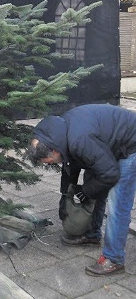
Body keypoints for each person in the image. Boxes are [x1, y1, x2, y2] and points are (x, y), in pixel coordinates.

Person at [27, 103, 136, 277]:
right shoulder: (59, 135)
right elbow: (70, 167)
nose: (54, 164)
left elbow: (110, 174)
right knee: (93, 182)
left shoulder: (79, 141)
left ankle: (114, 259)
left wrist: (85, 191)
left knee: (118, 202)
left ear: (54, 150)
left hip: (131, 145)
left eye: (51, 161)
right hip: (105, 144)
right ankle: (92, 235)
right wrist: (65, 196)